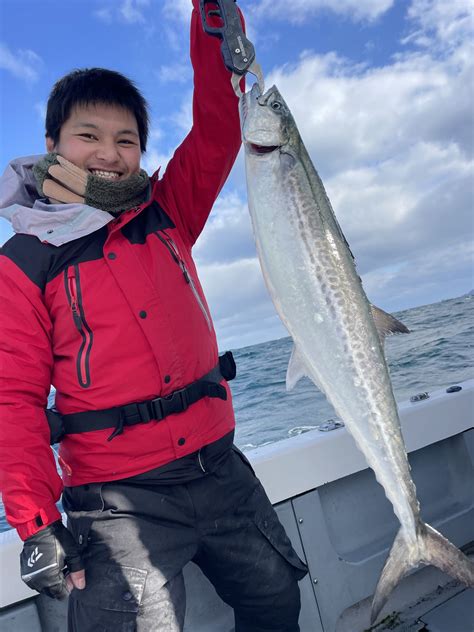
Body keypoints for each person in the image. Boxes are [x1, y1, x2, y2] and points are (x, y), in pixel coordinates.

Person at [0, 1, 308, 630]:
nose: (109, 153)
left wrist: (212, 21)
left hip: (220, 466)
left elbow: (221, 130)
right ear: (53, 142)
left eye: (126, 140)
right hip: (118, 499)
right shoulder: (22, 262)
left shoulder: (168, 213)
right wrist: (37, 522)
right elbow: (13, 398)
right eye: (89, 136)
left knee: (275, 600)